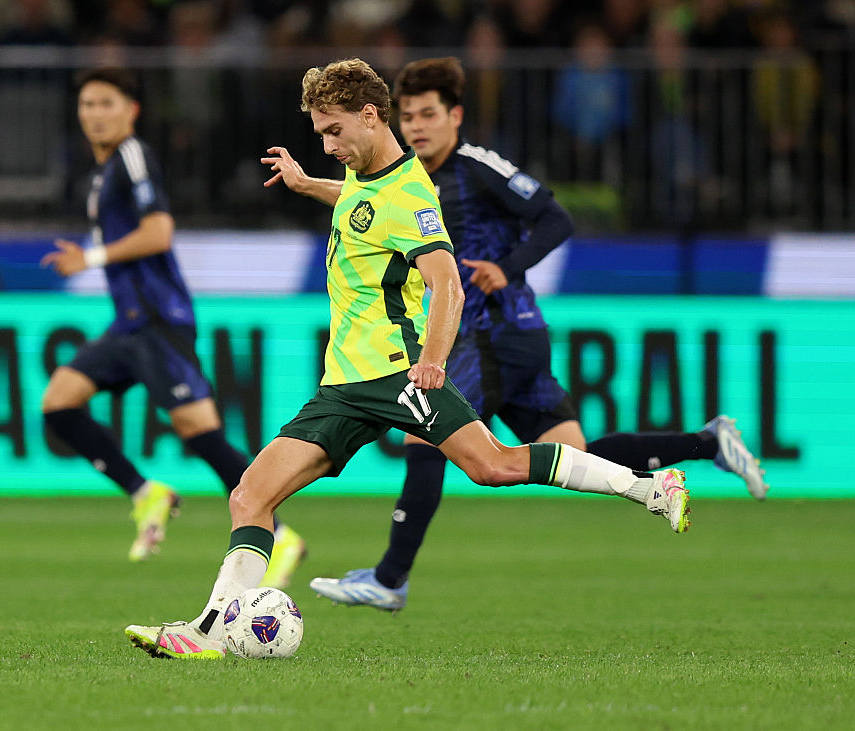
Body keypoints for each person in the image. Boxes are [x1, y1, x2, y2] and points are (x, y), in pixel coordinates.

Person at [124, 58, 690, 661]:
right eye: (320, 133)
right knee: (250, 496)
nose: (327, 145)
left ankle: (648, 487)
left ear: (370, 116)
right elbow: (361, 206)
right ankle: (208, 632)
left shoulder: (412, 194)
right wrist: (308, 184)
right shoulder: (368, 178)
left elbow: (448, 284)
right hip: (344, 385)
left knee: (492, 466)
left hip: (397, 372)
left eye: (334, 130)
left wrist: (434, 359)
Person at [308, 57, 767, 612]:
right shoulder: (402, 179)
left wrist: (506, 267)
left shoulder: (477, 167)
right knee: (574, 454)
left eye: (429, 114)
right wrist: (308, 184)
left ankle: (389, 578)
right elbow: (362, 207)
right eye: (408, 117)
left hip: (491, 330)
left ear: (455, 117)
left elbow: (557, 219)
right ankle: (708, 443)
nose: (417, 127)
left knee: (424, 437)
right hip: (512, 336)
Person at [40, 67, 305, 580]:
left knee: (201, 432)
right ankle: (146, 492)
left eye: (107, 103)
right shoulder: (99, 172)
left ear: (132, 110)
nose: (95, 114)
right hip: (129, 324)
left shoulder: (133, 157)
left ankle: (280, 536)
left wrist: (90, 258)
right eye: (88, 104)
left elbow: (159, 233)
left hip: (159, 322)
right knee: (59, 403)